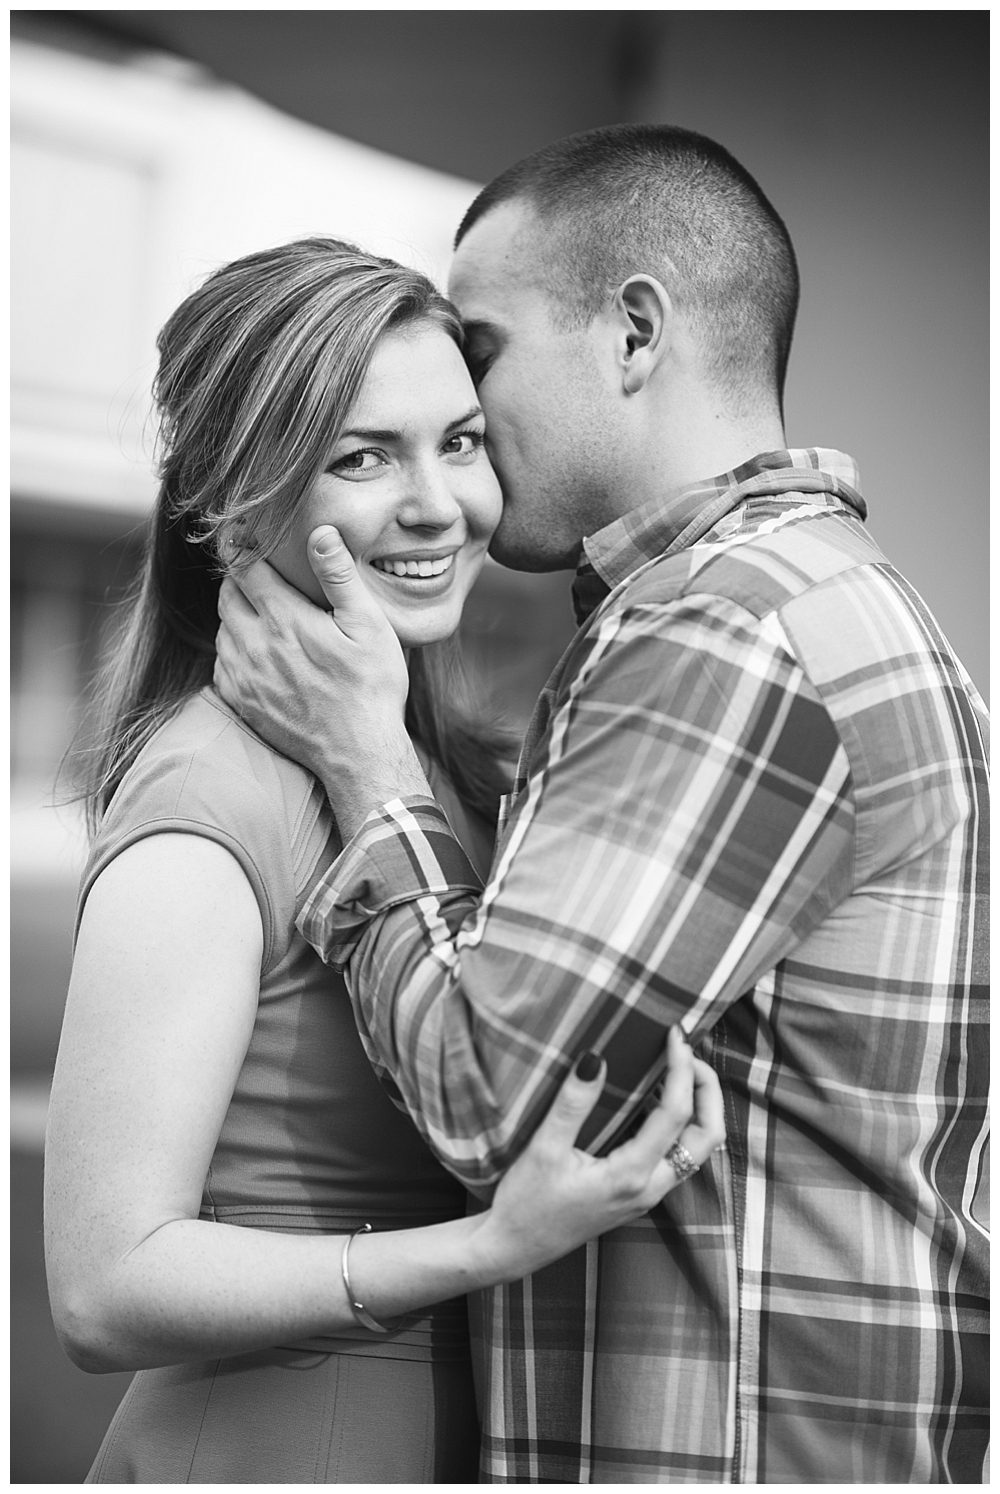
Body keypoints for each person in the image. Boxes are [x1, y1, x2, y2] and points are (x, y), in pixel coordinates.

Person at [213, 126, 990, 1484]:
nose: (464, 392)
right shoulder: (796, 596)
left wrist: (364, 764)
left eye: (486, 348)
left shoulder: (729, 629)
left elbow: (496, 1104)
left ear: (635, 331)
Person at [43, 237, 726, 1485]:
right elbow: (104, 1285)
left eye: (459, 443)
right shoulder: (206, 798)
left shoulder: (436, 773)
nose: (438, 505)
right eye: (363, 457)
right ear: (228, 500)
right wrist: (475, 1253)